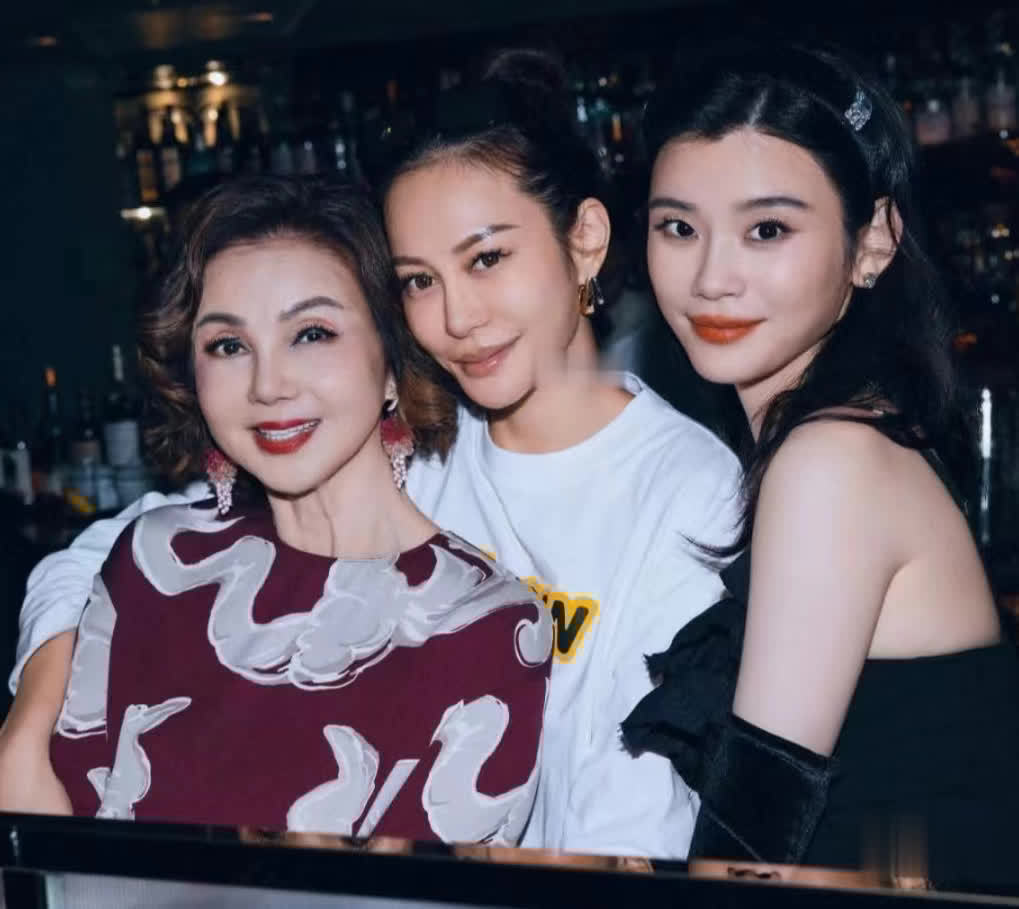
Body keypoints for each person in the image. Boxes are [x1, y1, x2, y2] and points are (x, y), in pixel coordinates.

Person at [2, 51, 740, 859]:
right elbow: (107, 554)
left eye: (486, 258)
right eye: (419, 280)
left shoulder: (685, 484)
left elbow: (638, 799)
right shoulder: (412, 443)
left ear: (584, 239)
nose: (457, 315)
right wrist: (27, 730)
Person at [37, 175, 553, 842]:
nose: (268, 384)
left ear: (392, 360)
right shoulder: (151, 562)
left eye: (311, 333)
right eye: (228, 345)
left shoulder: (484, 626)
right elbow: (65, 854)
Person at [621, 40, 1019, 888]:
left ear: (871, 241)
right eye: (677, 227)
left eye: (766, 229)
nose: (710, 277)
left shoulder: (829, 461)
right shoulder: (840, 437)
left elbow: (755, 826)